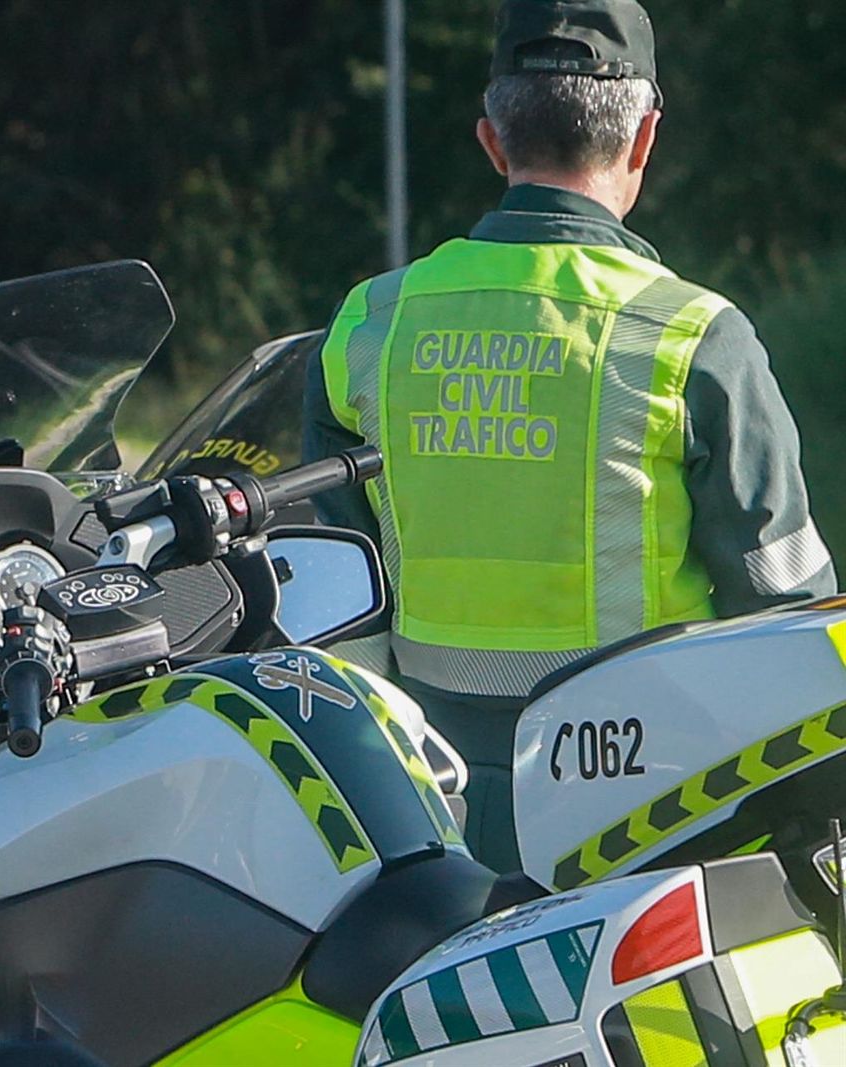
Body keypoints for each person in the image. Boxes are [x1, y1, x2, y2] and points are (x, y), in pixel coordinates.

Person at [303, 0, 836, 871]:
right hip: (651, 822)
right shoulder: (693, 335)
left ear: (491, 142)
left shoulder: (369, 325)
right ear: (644, 139)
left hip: (430, 821)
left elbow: (333, 600)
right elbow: (790, 617)